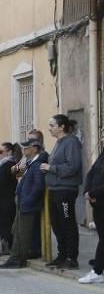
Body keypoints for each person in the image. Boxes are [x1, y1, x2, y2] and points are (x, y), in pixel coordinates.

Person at [41, 114, 83, 270]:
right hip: (54, 188)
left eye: (52, 125)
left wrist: (51, 168)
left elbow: (73, 167)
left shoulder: (71, 142)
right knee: (57, 224)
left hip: (65, 189)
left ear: (61, 127)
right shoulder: (59, 142)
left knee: (68, 223)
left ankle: (72, 258)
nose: (49, 129)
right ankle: (62, 255)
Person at [0, 139, 48, 269]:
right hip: (22, 202)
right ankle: (15, 257)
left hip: (28, 204)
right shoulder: (29, 162)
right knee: (16, 230)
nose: (23, 150)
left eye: (27, 148)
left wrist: (27, 200)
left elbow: (38, 187)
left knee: (23, 233)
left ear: (35, 149)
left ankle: (18, 259)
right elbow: (13, 171)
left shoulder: (37, 164)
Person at [78, 146, 104, 284]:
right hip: (98, 204)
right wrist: (87, 191)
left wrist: (92, 193)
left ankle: (98, 271)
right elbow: (91, 172)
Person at [0, 142, 20, 251]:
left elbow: (2, 185)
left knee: (4, 223)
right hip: (10, 197)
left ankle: (7, 246)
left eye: (1, 152)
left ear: (9, 152)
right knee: (9, 222)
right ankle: (10, 245)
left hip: (5, 199)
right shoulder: (12, 163)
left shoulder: (6, 165)